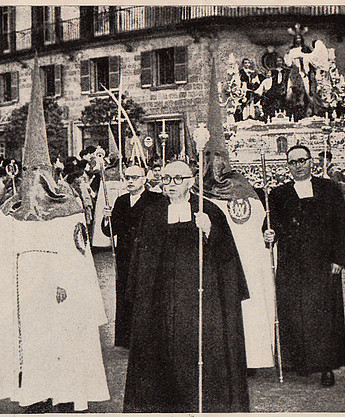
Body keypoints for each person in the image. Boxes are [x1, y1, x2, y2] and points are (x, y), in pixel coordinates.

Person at [0, 58, 109, 413]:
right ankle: (35, 395)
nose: (31, 184)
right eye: (27, 174)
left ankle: (66, 395)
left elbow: (79, 256)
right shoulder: (12, 210)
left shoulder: (67, 209)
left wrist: (66, 285)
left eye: (37, 174)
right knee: (31, 345)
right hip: (24, 289)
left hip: (58, 290)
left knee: (61, 344)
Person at [123, 160, 250, 412]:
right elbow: (142, 258)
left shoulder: (209, 211)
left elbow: (227, 257)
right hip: (161, 301)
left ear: (191, 181)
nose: (169, 185)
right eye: (165, 179)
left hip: (200, 299)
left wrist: (210, 230)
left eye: (176, 179)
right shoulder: (152, 212)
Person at [263, 144, 345, 387]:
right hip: (291, 263)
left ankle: (326, 366)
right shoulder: (278, 194)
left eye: (302, 160)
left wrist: (338, 259)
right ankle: (298, 361)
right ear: (287, 165)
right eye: (292, 162)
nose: (298, 166)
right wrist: (269, 234)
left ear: (311, 162)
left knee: (323, 315)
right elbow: (270, 223)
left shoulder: (329, 189)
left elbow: (341, 226)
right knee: (293, 311)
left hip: (322, 263)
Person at [198, 149, 276, 373]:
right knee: (250, 307)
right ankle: (252, 358)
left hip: (226, 258)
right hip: (251, 260)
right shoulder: (249, 192)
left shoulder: (204, 196)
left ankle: (234, 359)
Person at [102, 165, 161, 348]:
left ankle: (146, 338)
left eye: (134, 177)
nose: (130, 181)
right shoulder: (121, 201)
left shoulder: (156, 200)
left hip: (147, 255)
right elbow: (110, 231)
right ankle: (126, 337)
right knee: (125, 293)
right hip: (125, 255)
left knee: (145, 294)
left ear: (144, 179)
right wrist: (107, 218)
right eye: (127, 177)